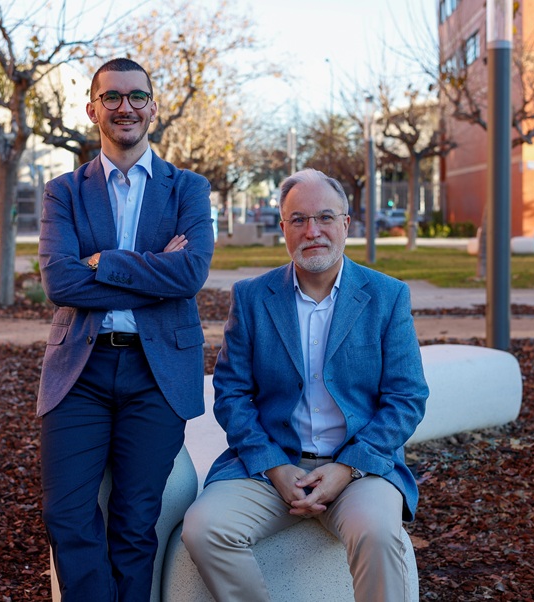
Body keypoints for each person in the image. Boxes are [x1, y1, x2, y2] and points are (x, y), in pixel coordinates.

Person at [182, 168, 428, 602]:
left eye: (325, 218)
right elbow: (232, 393)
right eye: (298, 220)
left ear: (346, 224)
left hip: (359, 470)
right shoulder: (253, 297)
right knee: (205, 528)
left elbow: (406, 398)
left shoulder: (387, 296)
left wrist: (348, 467)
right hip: (268, 467)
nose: (312, 231)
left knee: (377, 532)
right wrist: (275, 467)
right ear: (283, 229)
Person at [37, 57, 214, 602]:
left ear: (153, 108)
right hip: (79, 374)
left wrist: (101, 263)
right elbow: (60, 282)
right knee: (66, 515)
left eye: (136, 96)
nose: (125, 107)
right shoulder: (63, 191)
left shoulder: (187, 187)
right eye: (111, 97)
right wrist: (150, 270)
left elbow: (190, 273)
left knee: (136, 523)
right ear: (92, 108)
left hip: (156, 373)